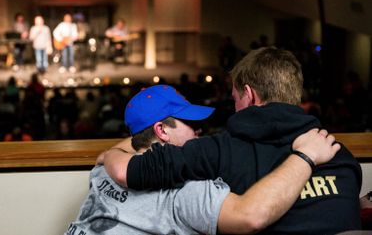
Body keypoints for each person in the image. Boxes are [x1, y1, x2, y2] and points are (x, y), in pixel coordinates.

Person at [104, 48, 362, 234]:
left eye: (235, 98)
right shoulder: (340, 154)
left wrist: (110, 152)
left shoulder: (217, 151)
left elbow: (125, 171)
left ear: (249, 95)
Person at [67, 85, 340, 235]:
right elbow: (251, 217)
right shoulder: (183, 189)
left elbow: (132, 142)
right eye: (190, 124)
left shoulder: (104, 170)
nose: (200, 131)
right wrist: (306, 156)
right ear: (161, 130)